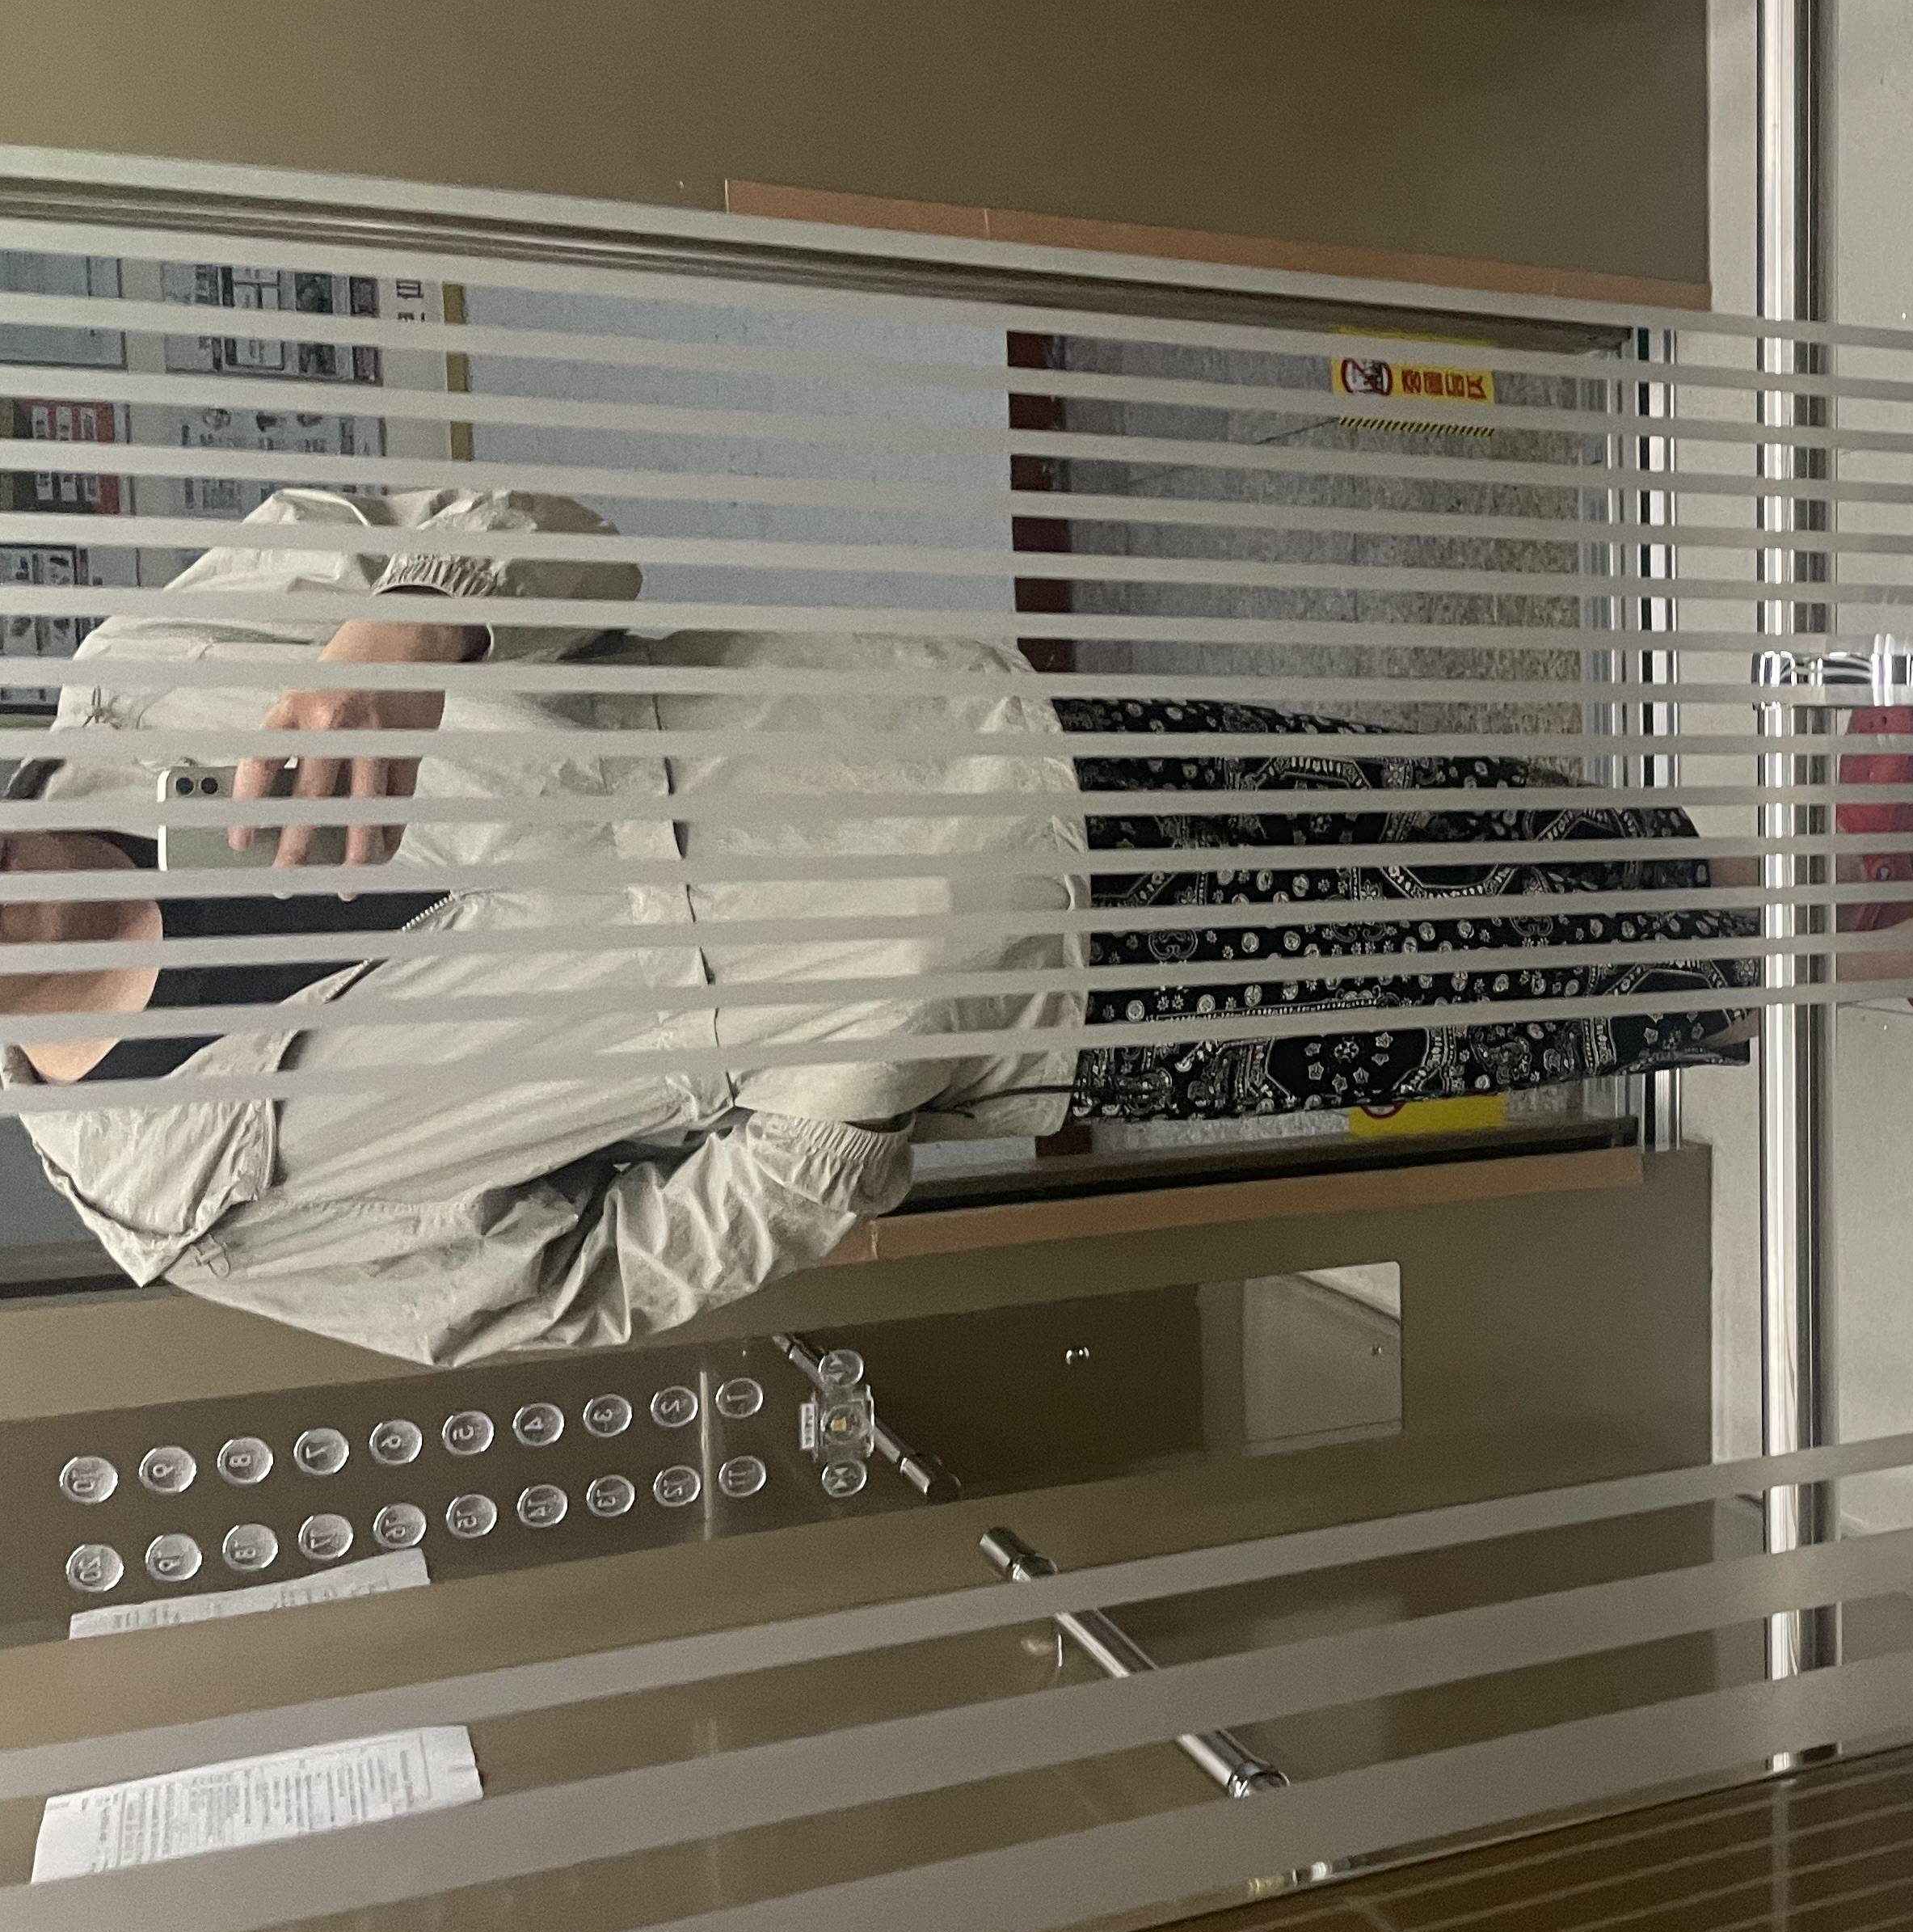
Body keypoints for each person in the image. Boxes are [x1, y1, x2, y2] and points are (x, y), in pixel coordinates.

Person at [0, 489, 1755, 1365]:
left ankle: (1843, 895)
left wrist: (417, 620)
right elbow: (595, 1280)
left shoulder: (155, 673)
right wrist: (832, 1116)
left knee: (1503, 820)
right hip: (1044, 1006)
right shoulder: (189, 1200)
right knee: (1518, 994)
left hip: (977, 743)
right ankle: (1861, 944)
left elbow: (555, 540)